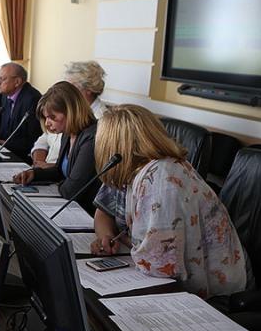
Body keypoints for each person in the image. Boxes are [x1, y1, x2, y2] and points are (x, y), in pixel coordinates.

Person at [90, 105, 249, 298]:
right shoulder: (139, 170)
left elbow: (160, 266)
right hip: (174, 282)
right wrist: (109, 237)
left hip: (217, 295)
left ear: (112, 147)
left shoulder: (161, 179)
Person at [13, 81, 99, 213]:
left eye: (52, 117)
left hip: (85, 211)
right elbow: (59, 171)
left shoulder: (92, 137)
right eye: (45, 118)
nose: (47, 123)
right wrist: (34, 174)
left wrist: (59, 183)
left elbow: (71, 190)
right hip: (69, 205)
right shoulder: (68, 132)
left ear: (71, 111)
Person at [31, 61, 109, 169]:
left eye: (71, 88)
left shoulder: (102, 119)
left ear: (89, 90)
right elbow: (44, 139)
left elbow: (85, 166)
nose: (65, 92)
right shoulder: (62, 110)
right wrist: (39, 162)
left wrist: (48, 168)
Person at [0, 62, 42, 162]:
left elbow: (34, 138)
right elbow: (4, 128)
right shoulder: (6, 96)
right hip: (5, 150)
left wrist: (6, 144)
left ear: (17, 82)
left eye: (2, 79)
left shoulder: (32, 99)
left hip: (22, 157)